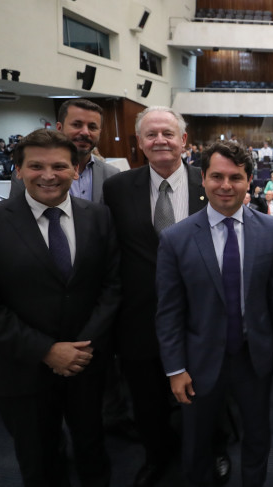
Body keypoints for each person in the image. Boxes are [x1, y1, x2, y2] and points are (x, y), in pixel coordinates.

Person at [0, 129, 121, 487]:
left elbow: (112, 288)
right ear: (17, 170)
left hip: (86, 363)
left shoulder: (99, 217)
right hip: (19, 368)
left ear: (76, 171)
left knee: (94, 454)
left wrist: (82, 347)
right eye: (36, 166)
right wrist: (46, 350)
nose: (49, 175)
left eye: (60, 166)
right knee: (40, 462)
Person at [155, 141, 273, 487]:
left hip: (254, 355)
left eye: (236, 177)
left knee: (258, 436)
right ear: (202, 179)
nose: (226, 185)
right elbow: (169, 311)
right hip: (198, 360)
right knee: (197, 443)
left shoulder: (270, 229)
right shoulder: (176, 238)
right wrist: (175, 368)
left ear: (250, 181)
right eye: (217, 176)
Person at [102, 107, 219, 487]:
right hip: (140, 317)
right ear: (139, 143)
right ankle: (156, 456)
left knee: (207, 394)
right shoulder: (118, 189)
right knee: (147, 398)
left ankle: (211, 450)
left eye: (168, 133)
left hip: (202, 316)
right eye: (151, 135)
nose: (160, 140)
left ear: (184, 141)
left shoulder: (213, 184)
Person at [10, 99, 119, 203]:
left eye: (92, 127)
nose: (85, 132)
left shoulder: (112, 175)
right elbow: (16, 215)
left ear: (99, 132)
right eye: (77, 125)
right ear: (59, 127)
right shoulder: (27, 175)